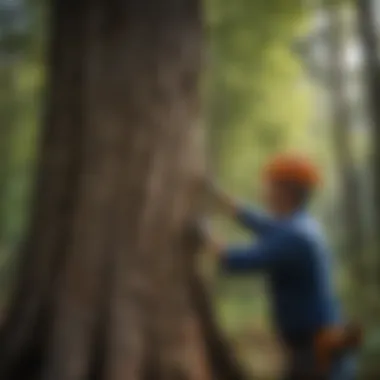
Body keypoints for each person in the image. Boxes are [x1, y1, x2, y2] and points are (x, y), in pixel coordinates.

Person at [202, 154, 359, 380]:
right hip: (313, 348)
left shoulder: (295, 235)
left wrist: (203, 234)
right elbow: (260, 223)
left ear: (286, 192)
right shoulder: (299, 226)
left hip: (316, 353)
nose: (264, 192)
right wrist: (220, 198)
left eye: (270, 186)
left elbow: (238, 260)